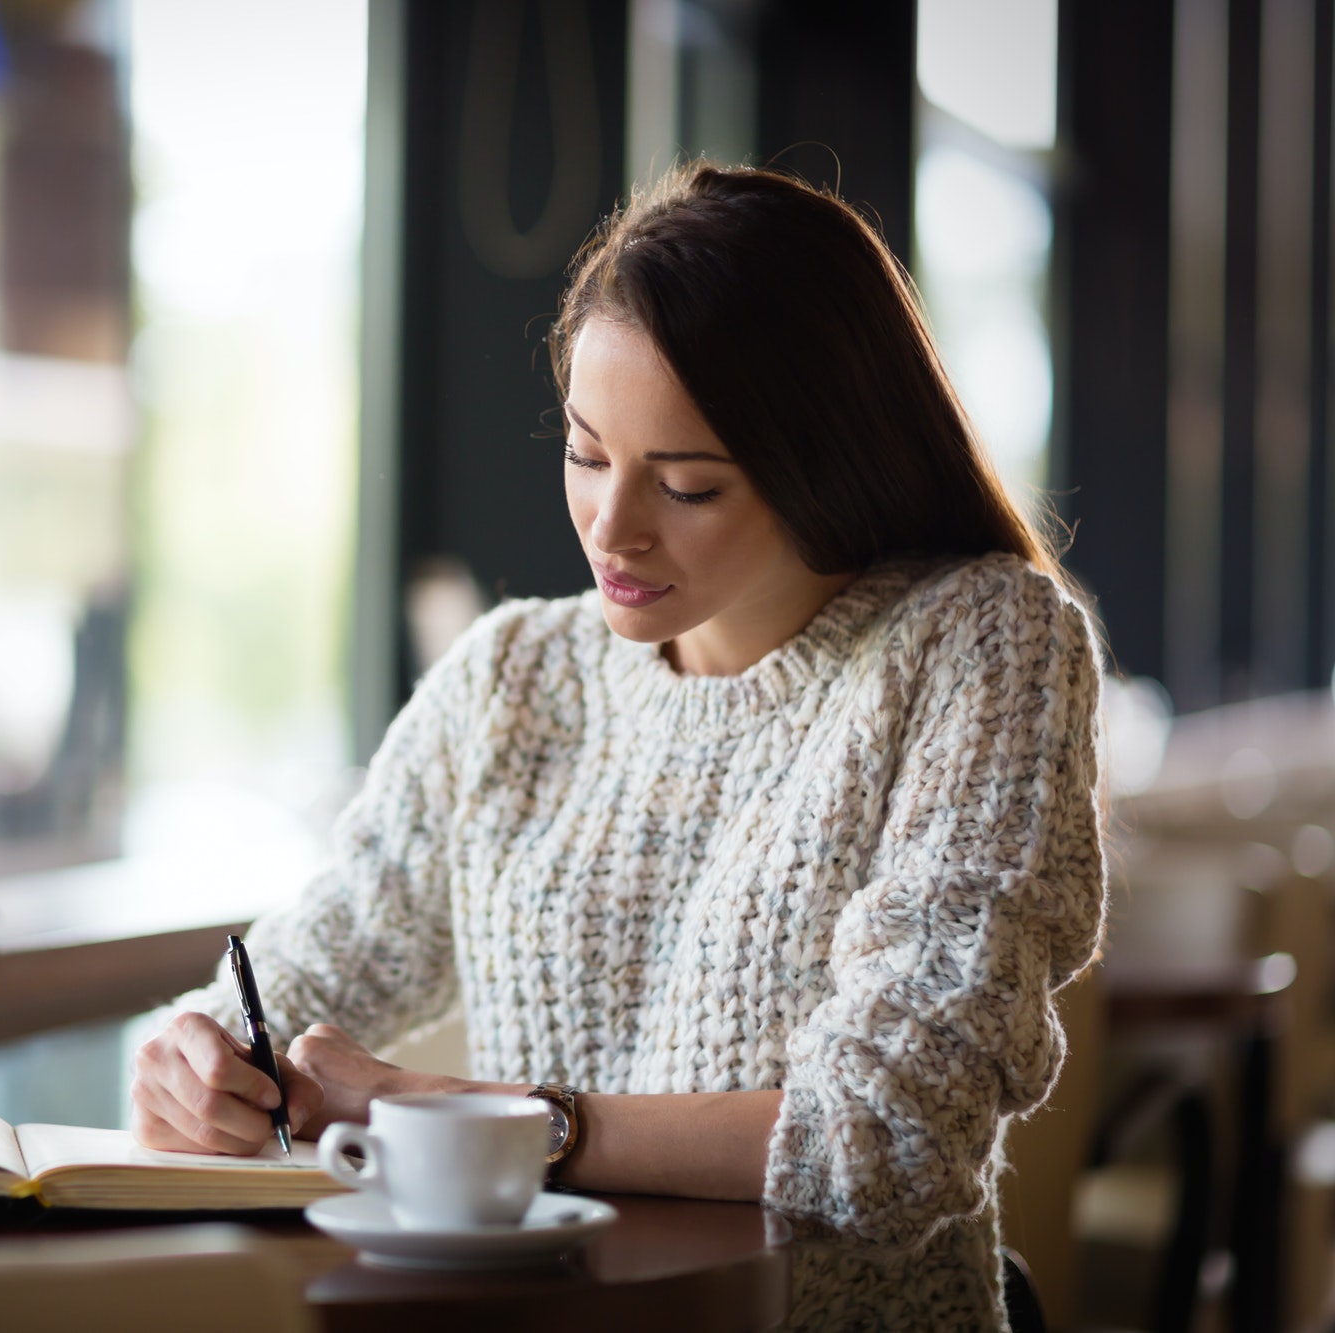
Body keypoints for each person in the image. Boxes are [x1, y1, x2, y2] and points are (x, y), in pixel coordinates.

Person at [129, 162, 1106, 1330]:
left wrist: (465, 1114)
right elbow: (292, 987)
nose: (610, 525)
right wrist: (194, 1067)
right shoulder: (511, 679)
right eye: (587, 453)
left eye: (685, 484)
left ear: (824, 461)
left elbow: (883, 1136)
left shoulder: (980, 643)